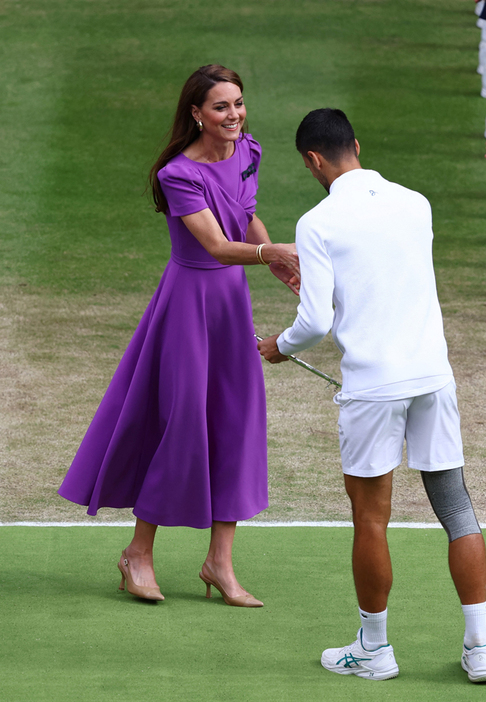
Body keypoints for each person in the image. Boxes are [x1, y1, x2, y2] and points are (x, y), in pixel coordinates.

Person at [258, 109, 486, 683]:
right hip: (432, 377)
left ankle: (375, 649)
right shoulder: (416, 202)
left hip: (373, 389)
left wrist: (278, 345)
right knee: (458, 510)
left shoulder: (317, 223)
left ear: (313, 160)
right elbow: (392, 278)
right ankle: (480, 648)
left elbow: (314, 322)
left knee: (371, 519)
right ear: (357, 146)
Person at [58, 64, 299, 606]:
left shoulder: (248, 150)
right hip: (188, 308)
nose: (234, 114)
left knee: (235, 423)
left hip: (231, 305)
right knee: (181, 425)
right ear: (196, 114)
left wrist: (273, 260)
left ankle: (220, 562)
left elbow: (247, 216)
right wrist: (272, 252)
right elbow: (216, 246)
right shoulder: (177, 174)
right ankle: (138, 554)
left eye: (239, 103)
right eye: (221, 107)